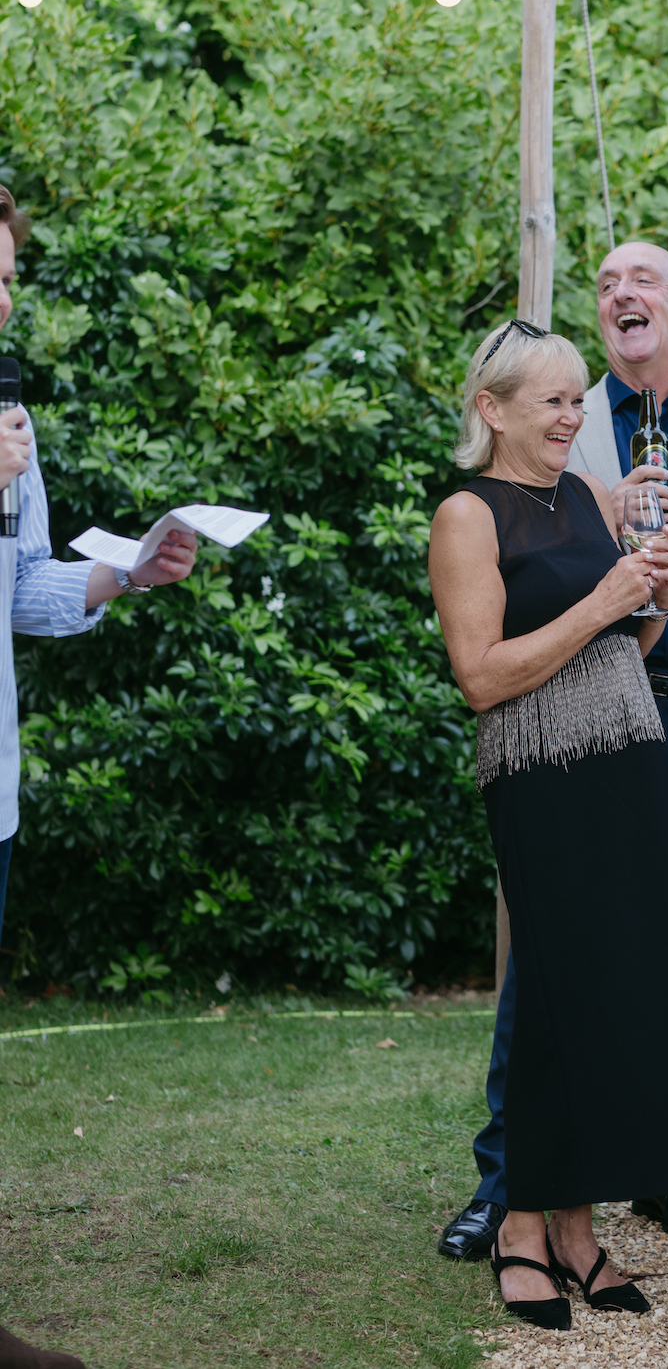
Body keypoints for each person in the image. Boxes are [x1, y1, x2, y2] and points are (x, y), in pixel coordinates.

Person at [440, 243, 668, 1262]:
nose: (621, 294)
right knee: (548, 966)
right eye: (605, 285)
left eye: (642, 281)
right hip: (577, 720)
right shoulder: (561, 431)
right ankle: (506, 1178)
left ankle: (661, 1167)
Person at [428, 320, 668, 1329]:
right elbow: (482, 677)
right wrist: (604, 597)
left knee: (616, 991)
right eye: (554, 401)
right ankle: (523, 1227)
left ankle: (575, 1227)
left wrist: (652, 590)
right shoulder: (468, 515)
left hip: (625, 756)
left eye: (575, 399)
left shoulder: (579, 497)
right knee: (560, 996)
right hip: (540, 773)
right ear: (493, 409)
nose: (574, 416)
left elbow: (628, 642)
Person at [0, 188, 198, 1369]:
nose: (3, 295)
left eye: (10, 275)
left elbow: (23, 593)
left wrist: (127, 574)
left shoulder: (10, 422)